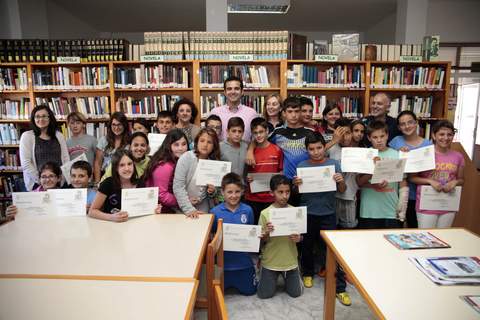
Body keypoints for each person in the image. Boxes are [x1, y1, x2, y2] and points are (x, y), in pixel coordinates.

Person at [293, 132, 350, 306]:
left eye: (319, 148)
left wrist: (340, 180)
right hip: (308, 213)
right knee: (307, 246)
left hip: (328, 213)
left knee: (331, 251)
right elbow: (296, 193)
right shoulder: (301, 165)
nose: (316, 152)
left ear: (324, 147)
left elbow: (341, 189)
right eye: (311, 149)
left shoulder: (334, 164)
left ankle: (340, 288)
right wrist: (296, 185)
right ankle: (308, 273)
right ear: (307, 150)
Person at [410, 120, 464, 228]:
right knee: (426, 238)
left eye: (449, 134)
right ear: (434, 136)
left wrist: (455, 182)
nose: (445, 138)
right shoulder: (424, 153)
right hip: (427, 205)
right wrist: (430, 181)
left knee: (444, 238)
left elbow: (462, 180)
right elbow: (412, 178)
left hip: (448, 204)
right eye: (441, 134)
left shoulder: (458, 156)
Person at [257, 174, 303, 299]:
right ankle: (265, 273)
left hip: (290, 260)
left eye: (287, 192)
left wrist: (299, 239)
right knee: (264, 295)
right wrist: (266, 233)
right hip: (271, 261)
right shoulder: (265, 213)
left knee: (296, 293)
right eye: (280, 192)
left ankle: (289, 275)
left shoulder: (295, 211)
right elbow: (261, 241)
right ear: (272, 193)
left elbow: (302, 236)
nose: (284, 196)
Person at [210, 173, 257, 296]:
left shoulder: (247, 210)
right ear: (222, 193)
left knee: (250, 292)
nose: (233, 195)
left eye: (237, 192)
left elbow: (250, 233)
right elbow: (213, 236)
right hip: (223, 265)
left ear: (242, 192)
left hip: (243, 264)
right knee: (215, 295)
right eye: (229, 192)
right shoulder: (215, 212)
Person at [357, 121, 409, 228]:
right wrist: (373, 174)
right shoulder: (364, 155)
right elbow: (359, 182)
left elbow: (403, 181)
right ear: (369, 138)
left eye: (382, 136)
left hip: (390, 209)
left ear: (387, 135)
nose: (379, 140)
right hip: (369, 210)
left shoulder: (396, 154)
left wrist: (402, 205)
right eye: (375, 137)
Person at [88, 149, 161, 222]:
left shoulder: (141, 183)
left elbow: (144, 210)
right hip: (112, 227)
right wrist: (111, 217)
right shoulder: (107, 183)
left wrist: (154, 209)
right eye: (122, 165)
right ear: (116, 168)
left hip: (135, 226)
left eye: (129, 164)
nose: (127, 168)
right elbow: (92, 211)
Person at [389, 110, 433, 228]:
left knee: (415, 227)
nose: (407, 126)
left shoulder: (427, 145)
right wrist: (398, 154)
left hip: (419, 194)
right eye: (402, 124)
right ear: (398, 127)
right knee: (397, 227)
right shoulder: (395, 141)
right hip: (397, 193)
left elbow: (430, 172)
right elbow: (388, 163)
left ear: (416, 123)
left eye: (410, 122)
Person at [269, 97, 313, 205]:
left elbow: (320, 151)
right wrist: (251, 150)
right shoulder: (278, 132)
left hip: (306, 180)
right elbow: (261, 143)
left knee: (304, 215)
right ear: (283, 113)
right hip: (285, 183)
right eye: (290, 111)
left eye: (297, 111)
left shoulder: (310, 132)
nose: (293, 115)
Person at [19, 105, 70, 191]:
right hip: (37, 183)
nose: (41, 119)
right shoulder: (27, 136)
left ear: (50, 118)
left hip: (59, 182)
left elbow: (66, 159)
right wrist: (42, 180)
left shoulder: (59, 135)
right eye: (37, 116)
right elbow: (26, 163)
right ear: (33, 119)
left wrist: (61, 178)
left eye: (44, 116)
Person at [173, 128, 220, 218]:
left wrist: (212, 191)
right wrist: (188, 208)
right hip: (184, 207)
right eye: (202, 141)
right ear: (196, 142)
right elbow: (178, 187)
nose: (205, 145)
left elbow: (215, 193)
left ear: (214, 146)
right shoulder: (186, 158)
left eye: (209, 142)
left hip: (203, 206)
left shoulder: (213, 163)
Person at [245, 117, 283, 224]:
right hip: (253, 198)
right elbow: (245, 172)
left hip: (271, 198)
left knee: (270, 228)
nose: (258, 135)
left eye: (261, 132)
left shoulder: (277, 150)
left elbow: (280, 172)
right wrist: (247, 178)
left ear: (267, 131)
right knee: (255, 229)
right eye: (255, 133)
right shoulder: (249, 151)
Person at [144, 129, 189, 213]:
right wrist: (184, 201)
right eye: (176, 145)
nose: (181, 148)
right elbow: (162, 195)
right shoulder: (165, 166)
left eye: (184, 144)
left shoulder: (177, 160)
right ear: (169, 146)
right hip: (161, 209)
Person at [327, 119, 359, 229]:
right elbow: (317, 154)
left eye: (348, 133)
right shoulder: (331, 148)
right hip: (332, 196)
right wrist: (334, 140)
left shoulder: (358, 151)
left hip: (349, 196)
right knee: (333, 228)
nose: (345, 137)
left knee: (349, 228)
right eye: (341, 133)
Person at [210, 76, 258, 141]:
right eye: (229, 89)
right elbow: (209, 136)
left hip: (244, 151)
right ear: (224, 92)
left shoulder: (252, 113)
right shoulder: (215, 112)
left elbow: (255, 138)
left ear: (242, 92)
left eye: (236, 88)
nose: (233, 92)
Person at [94, 112, 130, 184]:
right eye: (113, 125)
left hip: (123, 177)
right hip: (105, 177)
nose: (116, 128)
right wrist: (97, 182)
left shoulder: (130, 142)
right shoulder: (103, 140)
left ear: (124, 125)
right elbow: (98, 163)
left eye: (119, 124)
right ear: (110, 126)